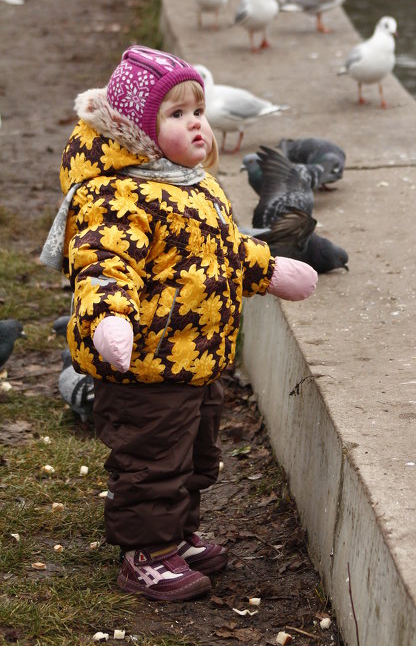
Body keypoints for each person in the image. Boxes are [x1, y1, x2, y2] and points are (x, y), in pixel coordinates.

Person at [40, 45, 318, 601]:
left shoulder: (194, 185)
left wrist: (268, 268)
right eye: (176, 114)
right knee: (151, 462)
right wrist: (110, 320)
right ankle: (145, 555)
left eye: (198, 110)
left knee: (197, 454)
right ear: (137, 130)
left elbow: (222, 253)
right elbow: (104, 265)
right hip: (144, 364)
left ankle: (178, 536)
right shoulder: (116, 197)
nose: (196, 123)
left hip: (196, 356)